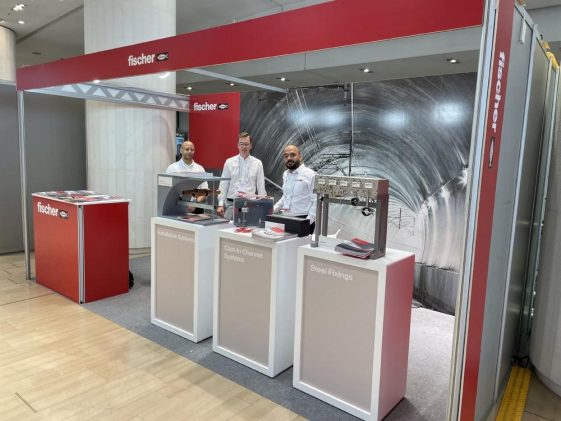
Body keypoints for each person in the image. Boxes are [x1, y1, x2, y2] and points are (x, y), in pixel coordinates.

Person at [216, 132, 266, 220]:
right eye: (241, 144)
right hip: (232, 203)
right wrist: (220, 204)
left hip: (250, 204)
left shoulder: (258, 163)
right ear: (238, 145)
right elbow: (224, 184)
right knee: (227, 227)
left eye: (246, 144)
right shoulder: (229, 162)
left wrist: (263, 205)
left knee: (249, 228)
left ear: (251, 145)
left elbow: (261, 186)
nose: (244, 147)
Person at [273, 144, 317, 232]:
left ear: (300, 156)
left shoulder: (311, 175)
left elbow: (317, 201)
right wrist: (271, 209)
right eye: (286, 156)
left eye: (293, 155)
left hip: (303, 219)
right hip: (286, 218)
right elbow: (285, 197)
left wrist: (307, 222)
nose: (289, 158)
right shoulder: (285, 174)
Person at [166, 139, 208, 209]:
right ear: (181, 150)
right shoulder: (172, 168)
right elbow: (167, 190)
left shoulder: (200, 169)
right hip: (176, 206)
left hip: (196, 207)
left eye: (192, 150)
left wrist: (195, 203)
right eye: (187, 149)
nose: (190, 151)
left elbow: (205, 191)